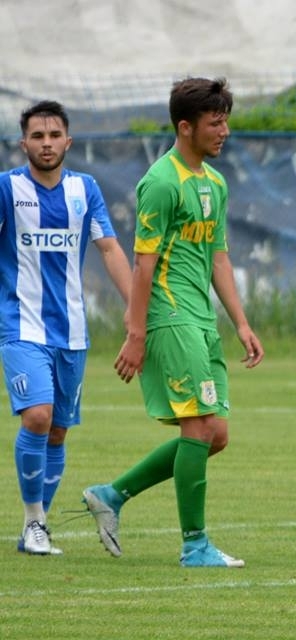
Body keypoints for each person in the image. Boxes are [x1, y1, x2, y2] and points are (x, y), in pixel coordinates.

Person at [82, 77, 264, 568]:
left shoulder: (215, 182)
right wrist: (136, 332)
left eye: (226, 121)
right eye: (215, 122)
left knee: (215, 433)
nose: (224, 131)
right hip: (170, 315)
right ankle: (195, 545)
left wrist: (241, 323)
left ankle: (111, 494)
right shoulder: (161, 183)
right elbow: (143, 265)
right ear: (185, 127)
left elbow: (219, 257)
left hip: (201, 318)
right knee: (198, 425)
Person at [0, 100, 131, 556]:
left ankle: (36, 527)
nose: (47, 143)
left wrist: (135, 309)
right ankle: (34, 521)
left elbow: (109, 248)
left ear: (68, 142)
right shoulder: (7, 188)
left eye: (54, 135)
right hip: (20, 324)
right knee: (37, 415)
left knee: (57, 431)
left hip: (72, 331)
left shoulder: (85, 189)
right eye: (37, 136)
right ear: (23, 144)